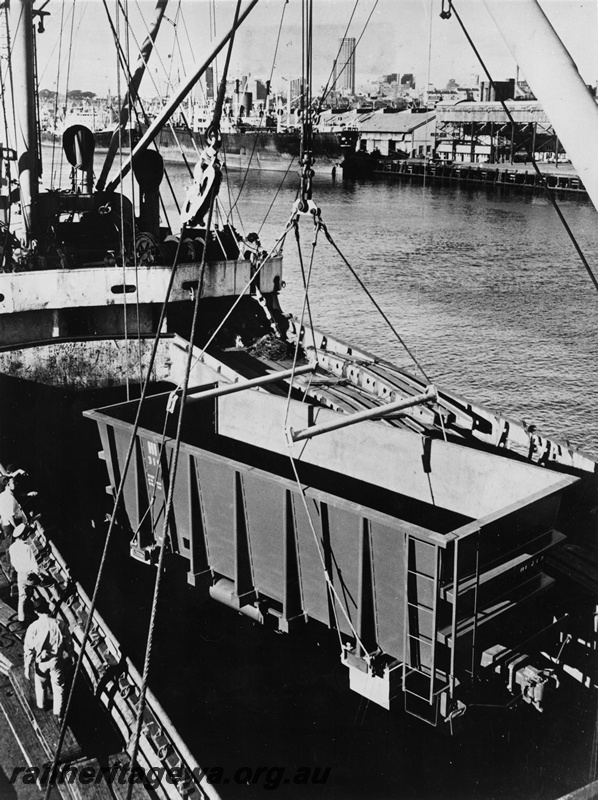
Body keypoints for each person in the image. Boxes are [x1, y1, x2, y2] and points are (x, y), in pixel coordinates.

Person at [23, 597, 73, 717]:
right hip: (56, 660)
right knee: (58, 688)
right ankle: (58, 713)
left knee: (40, 685)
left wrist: (27, 666)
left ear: (35, 611)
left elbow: (28, 649)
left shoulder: (33, 627)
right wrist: (71, 655)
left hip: (41, 662)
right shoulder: (59, 623)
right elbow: (68, 642)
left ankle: (42, 706)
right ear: (47, 608)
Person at [8, 522, 39, 622]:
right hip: (29, 575)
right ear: (22, 535)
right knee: (50, 583)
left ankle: (21, 619)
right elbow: (33, 563)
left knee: (22, 598)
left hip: (20, 575)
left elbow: (14, 563)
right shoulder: (27, 548)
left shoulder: (12, 547)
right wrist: (37, 574)